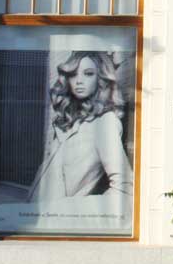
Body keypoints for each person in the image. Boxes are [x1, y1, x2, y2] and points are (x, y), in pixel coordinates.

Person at [27, 51, 132, 202]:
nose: (78, 81)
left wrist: (75, 211)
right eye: (73, 74)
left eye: (88, 74)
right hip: (35, 214)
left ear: (101, 78)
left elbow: (124, 187)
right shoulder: (69, 119)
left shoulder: (104, 122)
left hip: (58, 220)